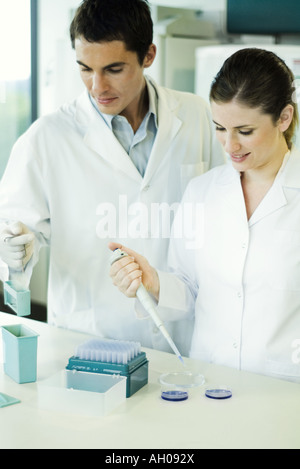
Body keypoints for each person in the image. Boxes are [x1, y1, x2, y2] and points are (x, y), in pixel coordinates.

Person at [0, 0, 225, 355]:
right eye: (85, 68)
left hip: (181, 332)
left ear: (148, 55)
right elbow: (14, 229)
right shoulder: (47, 138)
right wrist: (16, 245)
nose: (97, 85)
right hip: (91, 337)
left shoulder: (198, 116)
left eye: (114, 69)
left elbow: (227, 209)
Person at [110, 48, 300, 382]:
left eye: (244, 131)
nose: (229, 146)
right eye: (220, 129)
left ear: (284, 118)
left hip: (284, 390)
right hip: (210, 382)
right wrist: (154, 281)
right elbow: (188, 290)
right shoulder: (202, 192)